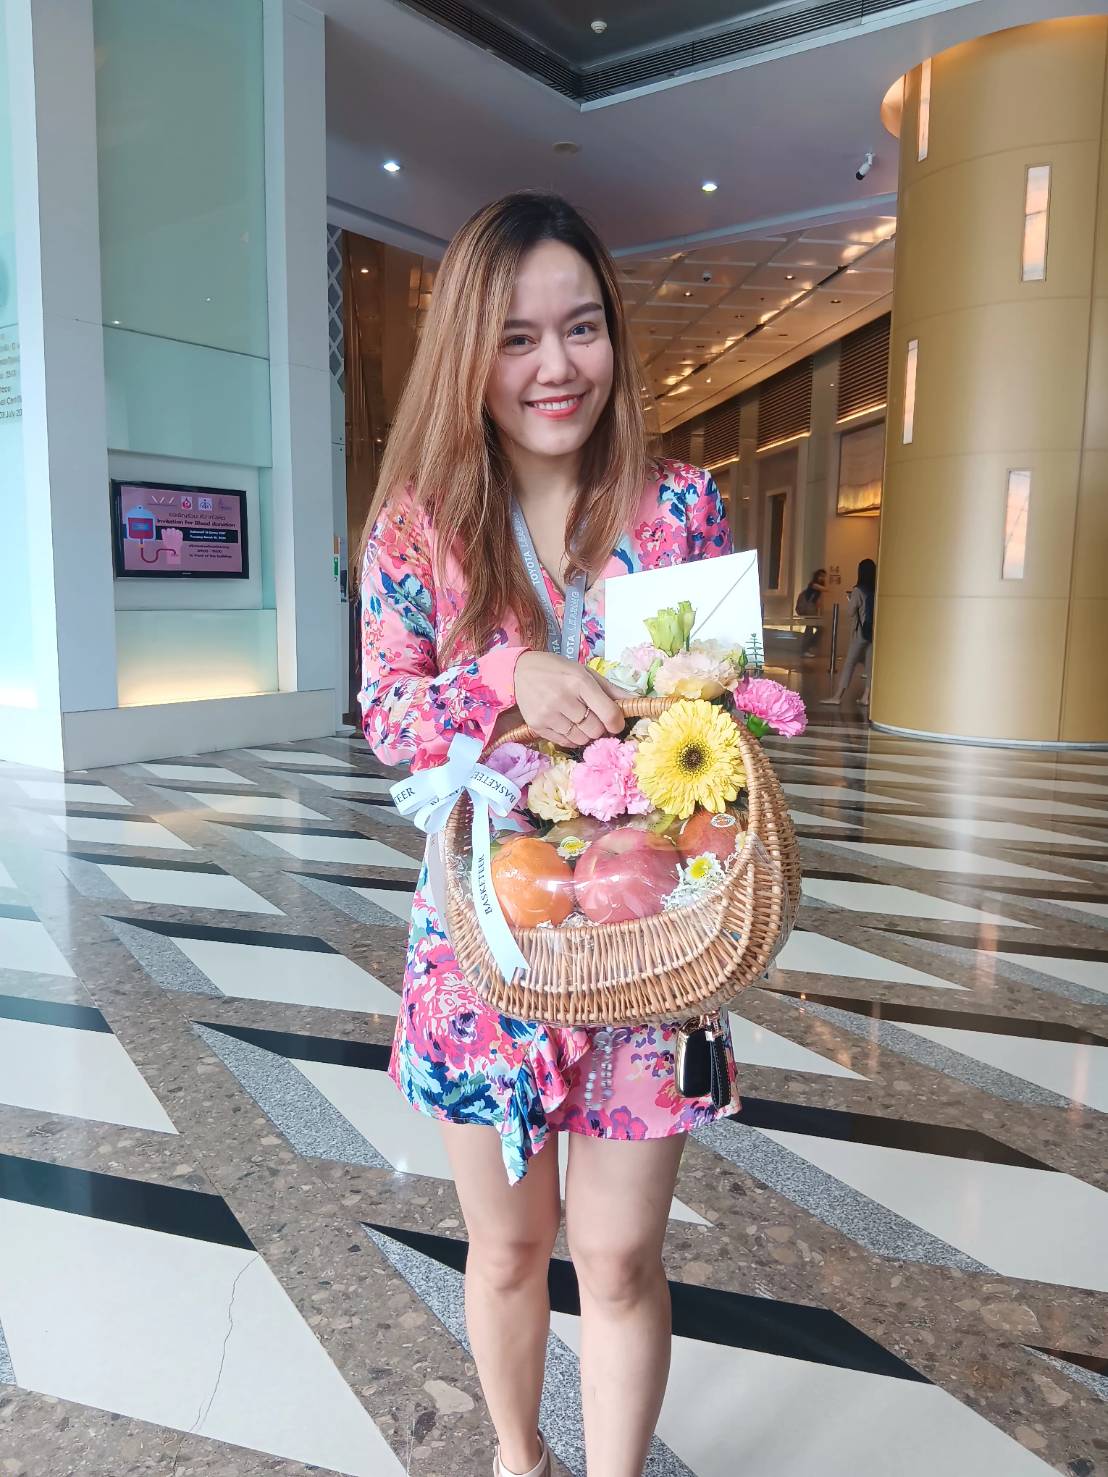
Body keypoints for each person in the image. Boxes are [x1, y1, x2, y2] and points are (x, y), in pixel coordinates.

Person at [358, 192, 741, 1477]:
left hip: (652, 946)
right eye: (517, 338)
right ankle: (521, 1460)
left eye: (580, 329)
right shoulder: (420, 524)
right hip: (485, 953)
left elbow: (721, 721)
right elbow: (386, 711)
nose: (554, 366)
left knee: (622, 1254)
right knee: (512, 1245)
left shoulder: (678, 507)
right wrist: (506, 678)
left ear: (615, 341)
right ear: (471, 349)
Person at [822, 557, 876, 705]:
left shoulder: (858, 590)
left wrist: (850, 598)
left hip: (860, 633)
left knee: (849, 663)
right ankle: (866, 696)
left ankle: (837, 696)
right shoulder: (875, 590)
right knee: (871, 665)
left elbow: (851, 612)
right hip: (873, 632)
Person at [796, 567, 826, 656]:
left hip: (812, 610)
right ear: (817, 576)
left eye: (824, 576)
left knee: (816, 629)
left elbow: (817, 600)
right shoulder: (813, 584)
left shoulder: (817, 587)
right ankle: (805, 649)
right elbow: (824, 589)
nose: (823, 578)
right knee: (810, 629)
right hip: (809, 610)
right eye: (821, 576)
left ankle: (807, 648)